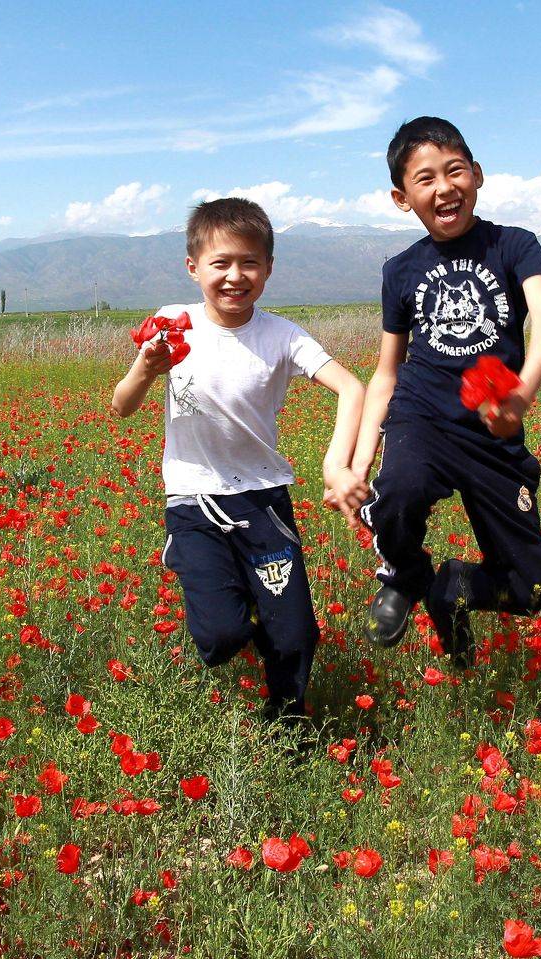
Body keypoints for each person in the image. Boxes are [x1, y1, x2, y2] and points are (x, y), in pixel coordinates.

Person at [111, 197, 367, 719]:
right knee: (221, 638)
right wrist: (145, 368)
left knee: (295, 635)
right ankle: (201, 569)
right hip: (194, 500)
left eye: (249, 262)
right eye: (220, 263)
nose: (235, 276)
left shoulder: (283, 335)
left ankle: (288, 728)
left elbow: (351, 387)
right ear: (193, 268)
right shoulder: (171, 323)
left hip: (263, 499)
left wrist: (337, 464)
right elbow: (122, 405)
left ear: (269, 268)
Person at [354, 116, 541, 668]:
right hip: (421, 418)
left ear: (477, 174)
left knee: (532, 587)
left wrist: (519, 395)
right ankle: (405, 575)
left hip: (492, 432)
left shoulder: (513, 245)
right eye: (425, 179)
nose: (444, 187)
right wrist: (359, 460)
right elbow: (386, 373)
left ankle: (448, 590)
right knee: (398, 493)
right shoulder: (400, 271)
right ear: (402, 199)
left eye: (455, 171)